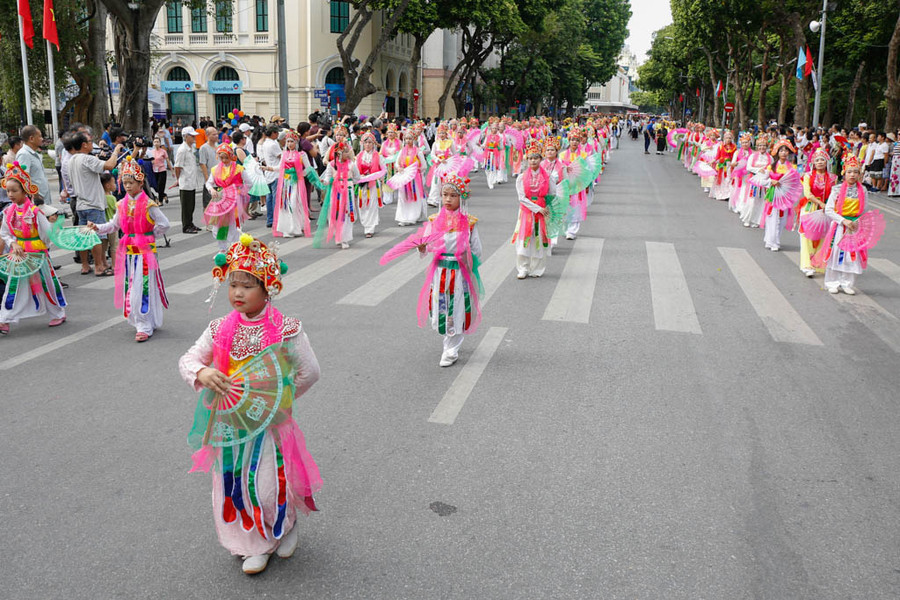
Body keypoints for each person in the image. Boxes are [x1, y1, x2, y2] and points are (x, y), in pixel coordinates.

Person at [178, 233, 322, 575]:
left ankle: (282, 527)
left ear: (268, 287)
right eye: (233, 285)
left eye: (248, 286)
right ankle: (251, 544)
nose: (238, 293)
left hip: (269, 424)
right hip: (229, 423)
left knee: (269, 483)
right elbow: (188, 359)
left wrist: (276, 401)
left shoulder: (286, 330)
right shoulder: (218, 329)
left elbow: (310, 371)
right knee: (232, 483)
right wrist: (203, 372)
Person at [87, 158, 170, 342]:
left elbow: (164, 224)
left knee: (142, 287)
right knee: (132, 287)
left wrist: (150, 235)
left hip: (145, 253)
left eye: (131, 183)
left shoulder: (149, 204)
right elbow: (113, 225)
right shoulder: (121, 204)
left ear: (141, 183)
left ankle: (144, 325)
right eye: (124, 183)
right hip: (129, 253)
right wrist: (97, 228)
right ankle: (143, 321)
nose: (127, 186)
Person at [414, 174, 482, 367]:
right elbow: (427, 245)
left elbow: (477, 250)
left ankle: (451, 348)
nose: (448, 200)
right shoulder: (434, 220)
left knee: (458, 306)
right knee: (441, 305)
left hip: (460, 272)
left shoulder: (469, 223)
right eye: (445, 195)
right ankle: (449, 341)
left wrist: (467, 261)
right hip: (440, 271)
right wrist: (423, 248)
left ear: (461, 198)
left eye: (453, 195)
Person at [0, 162, 66, 333]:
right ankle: (5, 318)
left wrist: (41, 246)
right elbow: (5, 232)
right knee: (14, 285)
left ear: (25, 191)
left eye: (14, 190)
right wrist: (13, 243)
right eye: (8, 191)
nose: (10, 194)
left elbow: (46, 234)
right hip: (19, 253)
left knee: (46, 283)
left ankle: (58, 312)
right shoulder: (9, 212)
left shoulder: (35, 212)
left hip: (37, 253)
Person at [68, 131, 122, 275]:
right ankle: (99, 266)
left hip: (80, 203)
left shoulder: (71, 160)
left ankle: (85, 266)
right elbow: (110, 165)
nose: (93, 144)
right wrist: (116, 151)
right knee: (97, 236)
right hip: (93, 203)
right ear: (84, 145)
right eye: (91, 142)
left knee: (84, 237)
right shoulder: (86, 159)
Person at [812, 156, 868, 295]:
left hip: (854, 227)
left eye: (855, 172)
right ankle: (832, 282)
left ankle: (847, 283)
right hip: (839, 226)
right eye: (849, 172)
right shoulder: (837, 189)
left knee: (852, 255)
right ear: (844, 173)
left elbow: (865, 210)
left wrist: (857, 222)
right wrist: (843, 221)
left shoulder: (863, 191)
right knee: (835, 253)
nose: (853, 175)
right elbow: (829, 210)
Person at [513, 140, 557, 279]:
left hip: (542, 212)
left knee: (539, 238)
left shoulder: (548, 177)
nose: (533, 161)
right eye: (530, 158)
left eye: (536, 158)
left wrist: (549, 209)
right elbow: (522, 197)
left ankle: (537, 268)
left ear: (540, 159)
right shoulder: (521, 177)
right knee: (524, 239)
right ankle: (523, 268)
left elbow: (552, 194)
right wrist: (537, 208)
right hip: (526, 211)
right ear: (527, 159)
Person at [797, 147, 835, 277]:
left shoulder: (832, 178)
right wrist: (820, 203)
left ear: (826, 162)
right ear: (813, 162)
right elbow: (807, 193)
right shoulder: (807, 176)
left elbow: (834, 194)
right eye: (817, 160)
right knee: (807, 236)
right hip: (810, 207)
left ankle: (818, 263)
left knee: (823, 236)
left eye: (822, 160)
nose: (820, 162)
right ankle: (807, 264)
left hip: (825, 209)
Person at [315, 141, 359, 249]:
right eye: (344, 152)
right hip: (336, 192)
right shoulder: (331, 165)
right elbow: (328, 178)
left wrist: (350, 184)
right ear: (338, 153)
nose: (347, 154)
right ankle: (339, 236)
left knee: (347, 213)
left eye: (347, 151)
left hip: (348, 191)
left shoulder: (352, 165)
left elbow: (357, 178)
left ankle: (345, 238)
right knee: (336, 213)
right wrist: (324, 181)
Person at [273, 131, 313, 238]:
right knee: (285, 205)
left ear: (296, 142)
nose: (289, 144)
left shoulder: (301, 154)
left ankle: (297, 226)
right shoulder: (284, 154)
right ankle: (287, 229)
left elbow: (309, 168)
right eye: (288, 141)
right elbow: (280, 167)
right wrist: (269, 168)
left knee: (295, 204)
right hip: (286, 183)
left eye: (292, 141)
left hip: (296, 183)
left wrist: (300, 174)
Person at [391, 130, 427, 227]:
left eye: (410, 138)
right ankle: (403, 217)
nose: (408, 141)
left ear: (414, 139)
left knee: (414, 195)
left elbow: (424, 166)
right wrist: (398, 168)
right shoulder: (402, 151)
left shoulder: (418, 151)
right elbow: (396, 163)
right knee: (403, 196)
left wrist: (416, 170)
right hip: (404, 177)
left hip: (414, 178)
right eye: (406, 139)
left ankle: (412, 216)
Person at [174, 126, 203, 234]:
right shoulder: (182, 150)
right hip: (185, 181)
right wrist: (179, 179)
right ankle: (186, 225)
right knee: (186, 206)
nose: (194, 138)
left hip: (191, 181)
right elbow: (177, 167)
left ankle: (190, 223)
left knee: (191, 205)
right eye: (191, 136)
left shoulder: (191, 148)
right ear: (186, 137)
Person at [354, 131, 384, 238]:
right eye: (366, 143)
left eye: (370, 143)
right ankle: (365, 224)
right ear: (362, 144)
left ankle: (370, 228)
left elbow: (383, 169)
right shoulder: (359, 156)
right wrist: (360, 176)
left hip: (373, 184)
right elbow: (354, 170)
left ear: (373, 144)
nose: (368, 145)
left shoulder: (378, 156)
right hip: (362, 183)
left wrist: (378, 177)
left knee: (372, 205)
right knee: (362, 205)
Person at [15, 126, 50, 205]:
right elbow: (22, 178)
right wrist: (35, 195)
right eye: (40, 136)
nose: (42, 139)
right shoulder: (24, 154)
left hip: (42, 199)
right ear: (31, 138)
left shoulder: (33, 153)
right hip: (35, 201)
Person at [260, 126, 283, 227]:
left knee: (269, 198)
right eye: (277, 133)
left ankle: (270, 219)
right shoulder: (273, 144)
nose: (278, 135)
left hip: (268, 173)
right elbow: (281, 156)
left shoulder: (265, 143)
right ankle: (275, 220)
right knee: (275, 198)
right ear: (273, 133)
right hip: (275, 172)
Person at [150, 137, 172, 205]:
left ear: (160, 143)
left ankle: (160, 201)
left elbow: (167, 160)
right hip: (154, 170)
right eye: (155, 142)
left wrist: (172, 170)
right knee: (156, 186)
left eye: (157, 142)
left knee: (161, 185)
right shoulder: (151, 152)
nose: (156, 143)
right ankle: (164, 195)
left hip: (162, 170)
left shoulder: (163, 151)